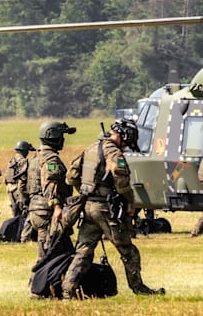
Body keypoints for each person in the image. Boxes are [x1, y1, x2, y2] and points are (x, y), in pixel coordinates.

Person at [62, 119, 165, 298]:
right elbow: (121, 178)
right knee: (128, 250)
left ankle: (67, 290)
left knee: (83, 250)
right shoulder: (113, 153)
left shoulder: (91, 148)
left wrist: (87, 190)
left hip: (88, 207)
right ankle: (139, 288)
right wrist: (130, 201)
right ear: (124, 135)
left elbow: (71, 176)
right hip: (105, 209)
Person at [27, 121, 76, 260]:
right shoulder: (51, 159)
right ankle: (39, 280)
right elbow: (50, 183)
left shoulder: (36, 157)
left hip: (36, 209)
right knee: (48, 254)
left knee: (61, 250)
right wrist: (57, 207)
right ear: (55, 137)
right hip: (47, 211)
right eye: (62, 135)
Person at [5, 140, 36, 242]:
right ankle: (24, 236)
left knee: (16, 212)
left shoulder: (11, 160)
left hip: (10, 189)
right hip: (18, 189)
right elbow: (24, 177)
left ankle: (15, 235)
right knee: (25, 211)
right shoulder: (23, 161)